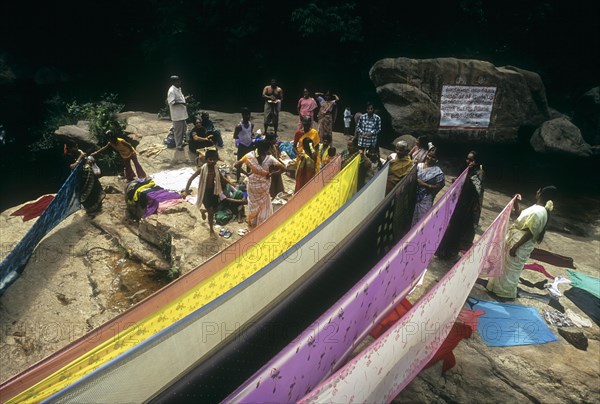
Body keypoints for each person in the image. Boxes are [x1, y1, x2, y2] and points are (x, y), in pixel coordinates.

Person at [487, 186, 557, 299]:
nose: (536, 192)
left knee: (510, 271)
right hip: (516, 239)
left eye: (538, 190)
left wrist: (516, 246)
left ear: (541, 194)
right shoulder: (536, 208)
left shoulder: (540, 211)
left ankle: (504, 293)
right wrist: (515, 203)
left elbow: (531, 232)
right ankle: (496, 289)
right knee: (505, 266)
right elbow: (520, 216)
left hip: (520, 243)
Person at [436, 151, 485, 260]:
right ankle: (442, 251)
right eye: (467, 159)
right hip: (457, 203)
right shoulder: (465, 168)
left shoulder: (479, 173)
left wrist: (470, 178)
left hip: (466, 207)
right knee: (449, 226)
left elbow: (478, 191)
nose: (468, 162)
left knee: (458, 230)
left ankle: (451, 253)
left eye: (471, 160)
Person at [181, 149, 235, 236]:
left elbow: (222, 178)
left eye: (215, 159)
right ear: (206, 159)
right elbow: (191, 179)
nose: (213, 161)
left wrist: (230, 183)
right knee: (211, 212)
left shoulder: (216, 169)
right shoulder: (202, 169)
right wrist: (186, 191)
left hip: (213, 191)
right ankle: (211, 229)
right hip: (205, 193)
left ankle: (203, 211)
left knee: (215, 209)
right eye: (211, 159)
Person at [234, 141, 284, 228]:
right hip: (264, 185)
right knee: (264, 203)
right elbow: (283, 168)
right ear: (267, 149)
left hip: (252, 184)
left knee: (253, 203)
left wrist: (246, 173)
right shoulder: (270, 158)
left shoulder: (249, 155)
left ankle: (253, 222)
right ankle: (262, 223)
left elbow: (236, 165)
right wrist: (271, 174)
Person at [65, 143, 104, 215]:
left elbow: (86, 159)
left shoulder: (79, 151)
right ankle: (90, 209)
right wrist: (80, 158)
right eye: (74, 147)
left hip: (89, 174)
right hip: (81, 178)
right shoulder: (67, 156)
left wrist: (87, 160)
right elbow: (72, 167)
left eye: (76, 146)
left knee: (95, 189)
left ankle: (98, 206)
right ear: (70, 149)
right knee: (86, 194)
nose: (76, 148)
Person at [411, 148, 445, 226]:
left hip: (425, 200)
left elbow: (439, 186)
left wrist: (425, 185)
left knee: (420, 223)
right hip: (412, 196)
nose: (430, 158)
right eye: (429, 155)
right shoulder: (418, 165)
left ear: (437, 159)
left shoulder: (438, 173)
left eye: (433, 157)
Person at [233, 107, 256, 182]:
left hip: (249, 145)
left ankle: (248, 179)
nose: (247, 116)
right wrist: (238, 143)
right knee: (239, 163)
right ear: (242, 115)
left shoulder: (251, 125)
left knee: (249, 163)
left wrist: (253, 138)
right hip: (242, 146)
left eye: (248, 115)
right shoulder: (239, 127)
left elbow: (250, 133)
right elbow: (235, 136)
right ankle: (237, 179)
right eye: (246, 115)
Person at [167, 75, 189, 151]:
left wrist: (185, 99)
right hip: (177, 115)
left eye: (179, 80)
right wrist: (182, 103)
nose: (179, 82)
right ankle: (178, 146)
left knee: (184, 129)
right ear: (173, 82)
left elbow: (179, 98)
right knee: (178, 131)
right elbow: (171, 102)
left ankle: (181, 142)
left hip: (182, 114)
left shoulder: (178, 89)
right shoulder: (171, 91)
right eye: (177, 81)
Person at [264, 132, 285, 198]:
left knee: (277, 182)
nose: (275, 140)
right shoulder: (266, 149)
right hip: (270, 168)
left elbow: (277, 155)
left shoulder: (274, 146)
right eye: (274, 139)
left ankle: (277, 195)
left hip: (276, 167)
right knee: (271, 184)